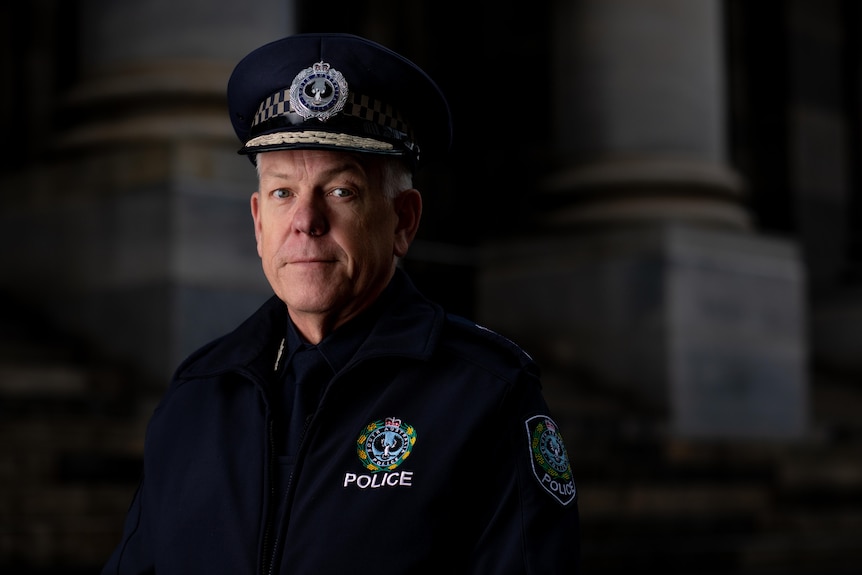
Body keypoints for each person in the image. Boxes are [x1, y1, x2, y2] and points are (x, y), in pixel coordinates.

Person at [102, 32, 580, 574]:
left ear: (403, 220)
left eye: (340, 191)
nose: (306, 222)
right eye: (283, 193)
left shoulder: (485, 396)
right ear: (259, 222)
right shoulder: (199, 396)